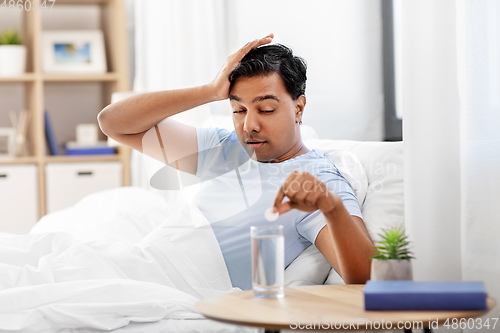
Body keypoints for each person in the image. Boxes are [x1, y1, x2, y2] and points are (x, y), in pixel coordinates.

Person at [98, 33, 375, 290]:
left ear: (298, 108)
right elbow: (112, 122)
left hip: (174, 290)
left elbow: (366, 277)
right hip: (136, 269)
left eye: (266, 109)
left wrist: (333, 210)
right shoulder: (225, 148)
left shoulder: (317, 181)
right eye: (238, 109)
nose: (249, 125)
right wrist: (209, 91)